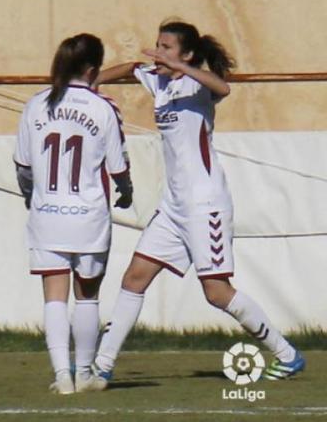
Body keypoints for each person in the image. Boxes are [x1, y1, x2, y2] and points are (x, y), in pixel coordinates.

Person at [82, 20, 305, 391]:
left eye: (167, 47)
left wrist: (184, 69)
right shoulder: (159, 80)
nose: (159, 52)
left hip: (206, 205)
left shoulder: (196, 84)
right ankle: (102, 368)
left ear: (187, 54)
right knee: (134, 279)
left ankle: (286, 354)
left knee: (216, 292)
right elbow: (130, 69)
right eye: (157, 45)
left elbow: (224, 87)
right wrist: (92, 82)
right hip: (173, 207)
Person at [14, 33, 133, 394]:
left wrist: (30, 196)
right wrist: (127, 192)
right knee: (87, 296)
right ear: (94, 69)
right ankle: (84, 373)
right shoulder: (103, 108)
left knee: (53, 295)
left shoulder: (36, 105)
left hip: (47, 214)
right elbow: (118, 167)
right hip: (89, 217)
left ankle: (61, 375)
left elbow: (22, 166)